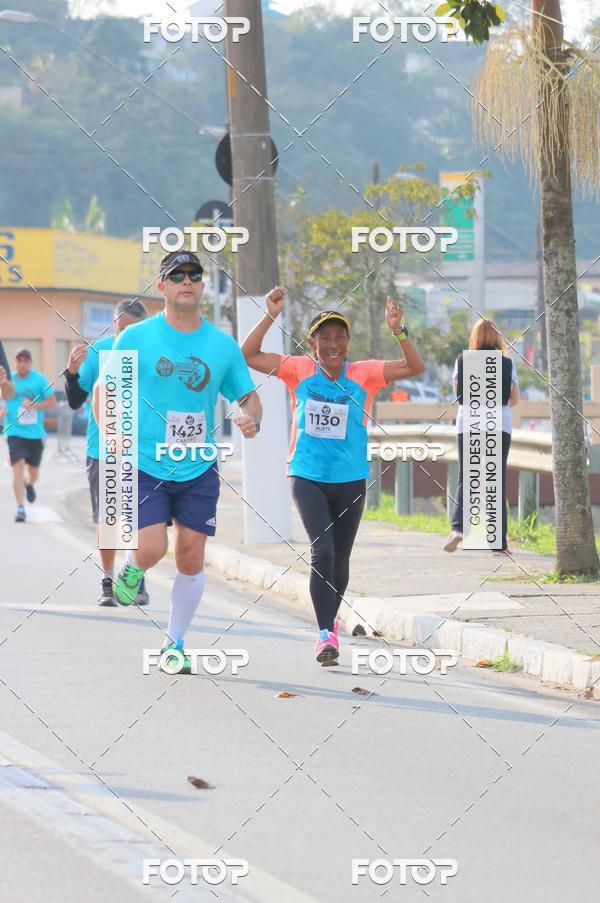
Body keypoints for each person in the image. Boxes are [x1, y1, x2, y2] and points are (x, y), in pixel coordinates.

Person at [93, 251, 262, 673]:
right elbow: (104, 390)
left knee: (190, 557)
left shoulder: (221, 345)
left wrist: (252, 417)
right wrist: (112, 436)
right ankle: (132, 568)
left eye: (194, 275)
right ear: (163, 286)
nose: (187, 280)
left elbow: (249, 394)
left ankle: (174, 642)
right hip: (145, 462)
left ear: (203, 286)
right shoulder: (136, 338)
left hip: (197, 465)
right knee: (151, 548)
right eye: (177, 275)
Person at [242, 288, 425, 665]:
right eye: (324, 338)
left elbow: (415, 368)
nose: (333, 344)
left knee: (340, 562)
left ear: (347, 342)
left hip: (351, 479)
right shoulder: (298, 369)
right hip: (307, 475)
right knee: (321, 551)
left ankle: (331, 624)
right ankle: (325, 635)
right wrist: (270, 316)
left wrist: (399, 331)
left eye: (339, 337)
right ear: (312, 343)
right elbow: (248, 355)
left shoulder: (365, 374)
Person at [65, 299, 149, 607]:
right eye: (121, 328)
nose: (126, 335)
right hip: (102, 448)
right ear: (113, 325)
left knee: (137, 518)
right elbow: (76, 401)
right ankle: (107, 579)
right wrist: (71, 374)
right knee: (108, 517)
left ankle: (135, 577)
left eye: (133, 329)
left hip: (143, 449)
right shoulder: (99, 352)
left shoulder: (152, 352)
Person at [444, 317, 519, 555]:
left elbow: (459, 394)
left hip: (469, 424)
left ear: (475, 337)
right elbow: (514, 399)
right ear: (497, 336)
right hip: (499, 425)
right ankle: (498, 543)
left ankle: (458, 528)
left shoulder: (463, 360)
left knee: (467, 476)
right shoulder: (506, 363)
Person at [5, 349, 56, 522]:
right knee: (17, 467)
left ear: (30, 363)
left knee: (33, 472)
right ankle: (20, 508)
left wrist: (34, 406)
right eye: (19, 360)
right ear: (14, 363)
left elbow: (52, 402)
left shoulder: (40, 379)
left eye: (26, 361)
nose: (23, 364)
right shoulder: (8, 381)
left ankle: (30, 484)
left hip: (35, 434)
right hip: (14, 432)